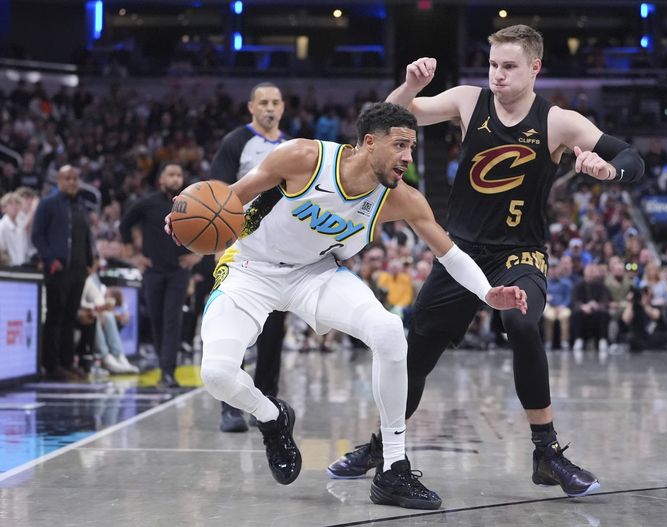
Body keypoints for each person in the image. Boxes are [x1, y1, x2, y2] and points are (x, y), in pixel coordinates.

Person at [328, 24, 644, 498]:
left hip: (520, 253)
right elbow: (386, 122)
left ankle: (547, 453)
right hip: (460, 252)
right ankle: (382, 447)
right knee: (417, 351)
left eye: (509, 66)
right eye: (493, 64)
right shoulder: (467, 101)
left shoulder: (559, 122)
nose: (497, 74)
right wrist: (411, 86)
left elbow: (631, 157)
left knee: (521, 323)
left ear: (535, 68)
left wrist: (609, 169)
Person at [165, 102, 526, 509]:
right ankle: (272, 417)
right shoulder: (303, 157)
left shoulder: (401, 199)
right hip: (250, 268)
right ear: (369, 143)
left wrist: (486, 293)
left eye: (412, 147)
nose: (408, 157)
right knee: (215, 374)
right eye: (400, 145)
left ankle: (393, 467)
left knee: (388, 330)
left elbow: (450, 253)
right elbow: (227, 200)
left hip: (313, 275)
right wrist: (184, 219)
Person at [209, 82, 289, 432]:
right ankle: (231, 406)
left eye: (275, 102)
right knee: (235, 328)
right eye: (263, 102)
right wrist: (218, 248)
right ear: (251, 107)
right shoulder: (235, 142)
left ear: (282, 107)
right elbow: (217, 195)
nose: (270, 108)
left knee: (273, 332)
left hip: (281, 251)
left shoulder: (291, 146)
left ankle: (266, 403)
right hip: (240, 247)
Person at [120, 163, 201, 388]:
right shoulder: (147, 203)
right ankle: (163, 366)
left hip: (178, 271)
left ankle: (168, 372)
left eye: (179, 175)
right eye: (170, 175)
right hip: (152, 271)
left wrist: (198, 255)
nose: (175, 179)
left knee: (172, 320)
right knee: (156, 319)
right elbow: (125, 225)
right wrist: (135, 256)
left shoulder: (192, 204)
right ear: (161, 179)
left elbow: (206, 229)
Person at [32, 165, 94, 381]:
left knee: (70, 317)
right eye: (67, 178)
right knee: (55, 317)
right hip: (58, 270)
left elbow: (86, 237)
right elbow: (37, 235)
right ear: (58, 181)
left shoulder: (81, 206)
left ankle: (67, 362)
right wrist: (50, 259)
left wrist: (89, 262)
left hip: (78, 271)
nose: (72, 182)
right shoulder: (48, 203)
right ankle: (51, 365)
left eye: (75, 178)